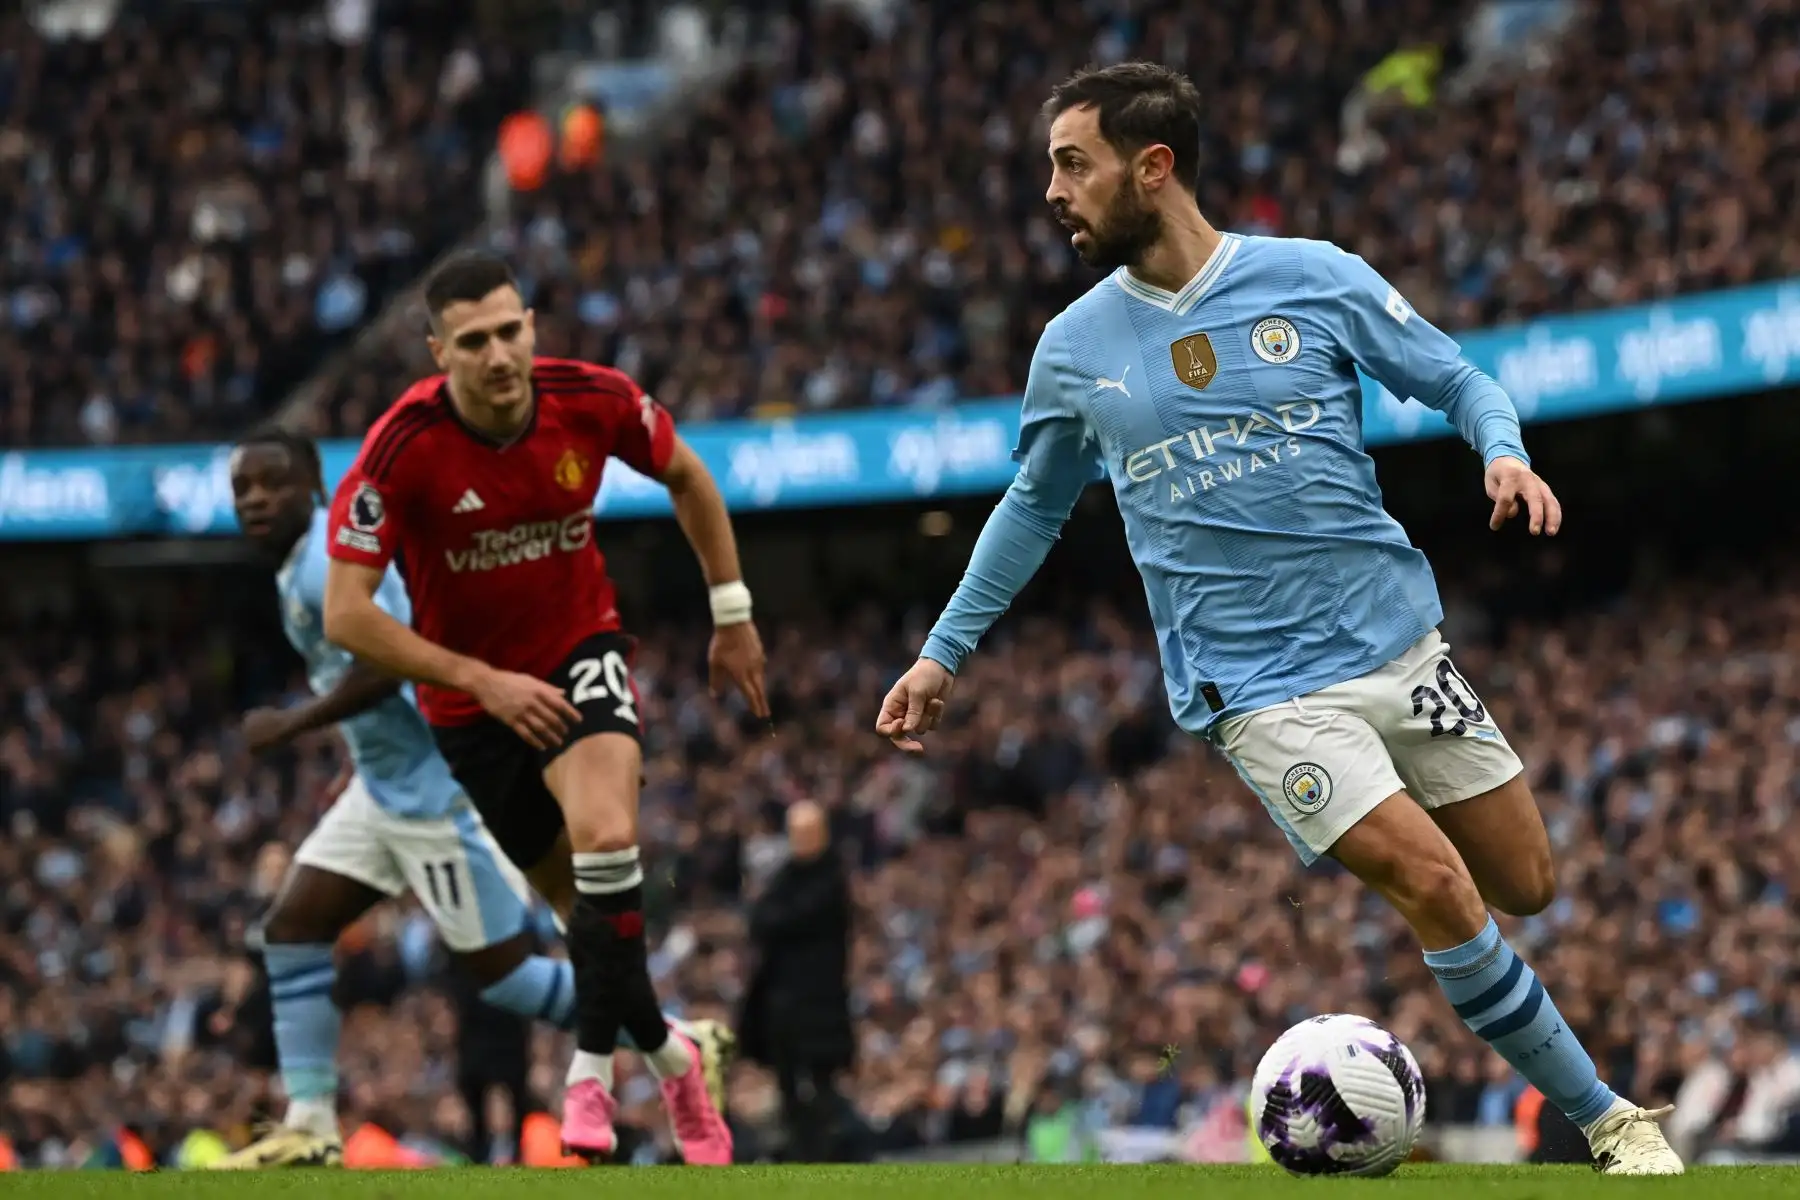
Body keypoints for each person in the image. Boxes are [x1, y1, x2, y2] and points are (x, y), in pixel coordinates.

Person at [875, 61, 1683, 1177]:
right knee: (1436, 886)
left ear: (1152, 168)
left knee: (1525, 882)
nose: (1053, 191)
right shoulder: (1072, 348)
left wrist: (1503, 451)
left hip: (1396, 643)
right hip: (1256, 689)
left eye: (1074, 163)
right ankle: (1608, 1121)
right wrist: (942, 653)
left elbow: (1456, 378)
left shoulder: (1312, 278)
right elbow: (1033, 506)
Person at [320, 252, 767, 1164]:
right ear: (438, 351)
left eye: (510, 330)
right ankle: (678, 1059)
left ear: (531, 326)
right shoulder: (401, 448)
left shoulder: (590, 398)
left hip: (579, 652)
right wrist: (479, 681)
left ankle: (588, 1078)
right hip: (468, 704)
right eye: (473, 340)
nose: (498, 355)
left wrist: (732, 612)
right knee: (587, 920)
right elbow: (346, 614)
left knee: (607, 838)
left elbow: (687, 474)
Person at [221, 428, 732, 1168]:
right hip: (382, 791)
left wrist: (293, 723)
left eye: (271, 484)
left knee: (511, 982)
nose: (256, 501)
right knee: (292, 928)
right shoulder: (298, 568)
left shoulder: (327, 567)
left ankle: (675, 1039)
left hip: (437, 799)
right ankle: (308, 1124)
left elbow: (405, 651)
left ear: (315, 488)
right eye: (243, 489)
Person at [738, 801, 863, 1162]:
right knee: (788, 1084)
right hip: (783, 1004)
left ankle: (822, 1152)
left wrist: (777, 919)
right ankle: (801, 1150)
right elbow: (760, 919)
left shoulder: (830, 879)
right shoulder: (788, 876)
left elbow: (783, 919)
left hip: (819, 1002)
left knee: (822, 1084)